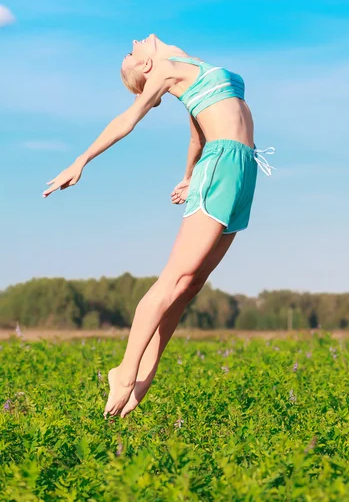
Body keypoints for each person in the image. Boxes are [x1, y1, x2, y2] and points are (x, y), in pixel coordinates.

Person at [42, 34, 275, 418]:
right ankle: (125, 370)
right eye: (132, 53)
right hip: (223, 164)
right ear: (146, 66)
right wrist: (81, 160)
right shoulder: (165, 70)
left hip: (242, 167)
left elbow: (195, 133)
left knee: (191, 284)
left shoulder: (191, 69)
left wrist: (186, 176)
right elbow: (127, 120)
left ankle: (145, 375)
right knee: (174, 277)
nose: (135, 42)